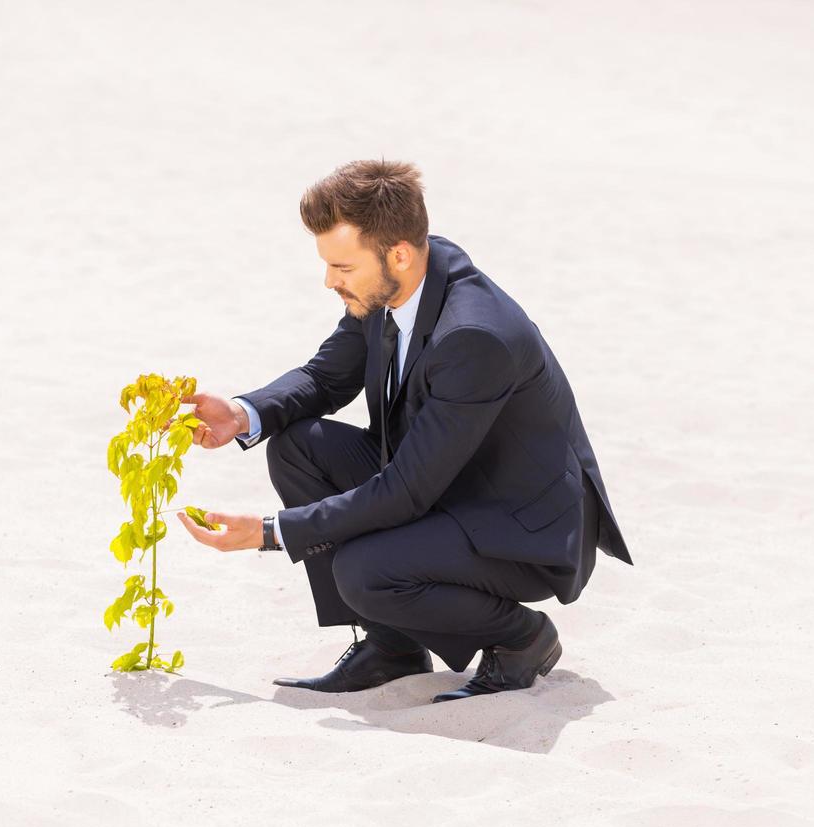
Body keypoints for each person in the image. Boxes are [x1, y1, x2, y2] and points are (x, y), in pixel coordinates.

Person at [175, 159, 632, 703]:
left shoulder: (474, 338)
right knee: (298, 447)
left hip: (517, 524)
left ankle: (521, 639)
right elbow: (327, 376)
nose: (329, 280)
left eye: (342, 267)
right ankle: (391, 646)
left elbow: (409, 490)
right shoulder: (399, 280)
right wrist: (242, 412)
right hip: (449, 479)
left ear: (398, 253)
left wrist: (273, 532)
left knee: (365, 570)